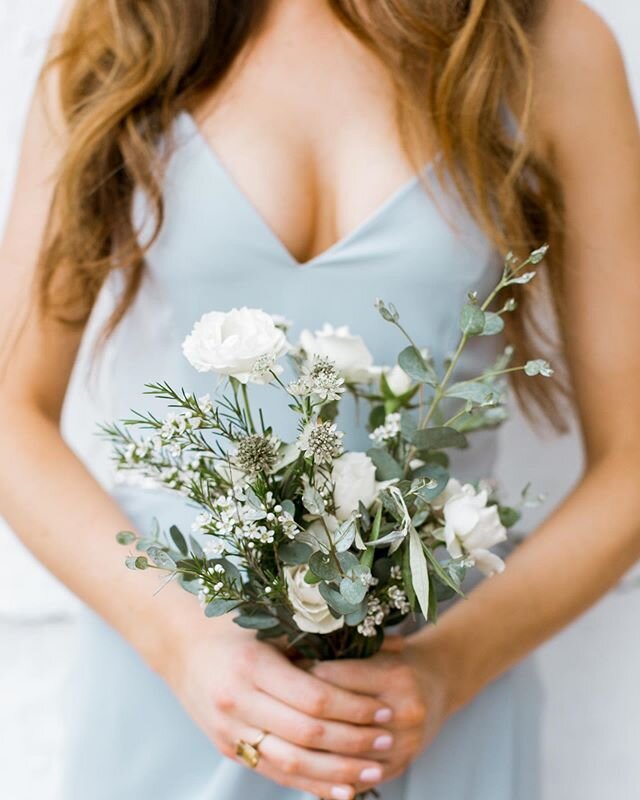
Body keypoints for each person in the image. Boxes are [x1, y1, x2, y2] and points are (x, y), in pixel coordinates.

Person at [1, 1, 639, 798]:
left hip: (427, 701)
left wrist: (446, 670)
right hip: (171, 690)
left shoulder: (548, 46)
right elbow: (10, 413)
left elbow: (632, 465)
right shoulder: (129, 25)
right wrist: (184, 647)